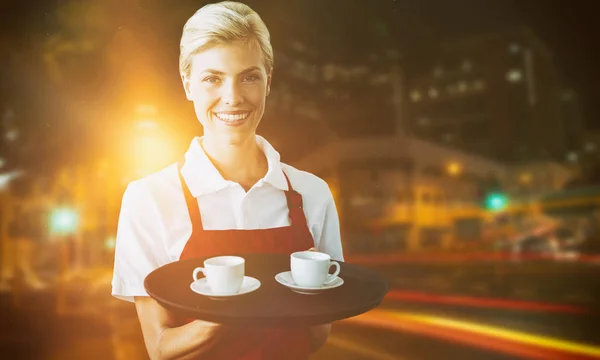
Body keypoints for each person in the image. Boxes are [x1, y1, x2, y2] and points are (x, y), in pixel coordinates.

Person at [111, 2, 344, 359]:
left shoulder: (312, 194)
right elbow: (161, 349)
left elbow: (316, 335)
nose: (233, 97)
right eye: (212, 79)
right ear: (188, 85)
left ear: (269, 82)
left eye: (249, 76)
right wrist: (231, 304)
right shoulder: (148, 199)